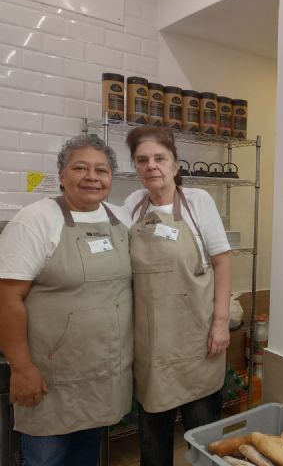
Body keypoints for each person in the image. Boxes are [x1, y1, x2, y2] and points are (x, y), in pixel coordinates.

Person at [0, 135, 133, 466]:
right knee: (45, 460)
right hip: (51, 380)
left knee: (86, 457)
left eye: (101, 170)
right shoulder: (36, 220)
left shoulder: (121, 219)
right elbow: (7, 298)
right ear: (61, 175)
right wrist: (22, 368)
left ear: (111, 178)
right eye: (80, 168)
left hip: (103, 376)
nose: (92, 177)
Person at [123, 125, 232, 465]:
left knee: (203, 438)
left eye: (160, 158)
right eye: (142, 160)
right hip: (152, 344)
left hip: (196, 338)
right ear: (135, 167)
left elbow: (222, 262)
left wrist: (220, 323)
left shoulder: (198, 201)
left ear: (175, 164)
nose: (151, 166)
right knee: (153, 439)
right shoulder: (133, 205)